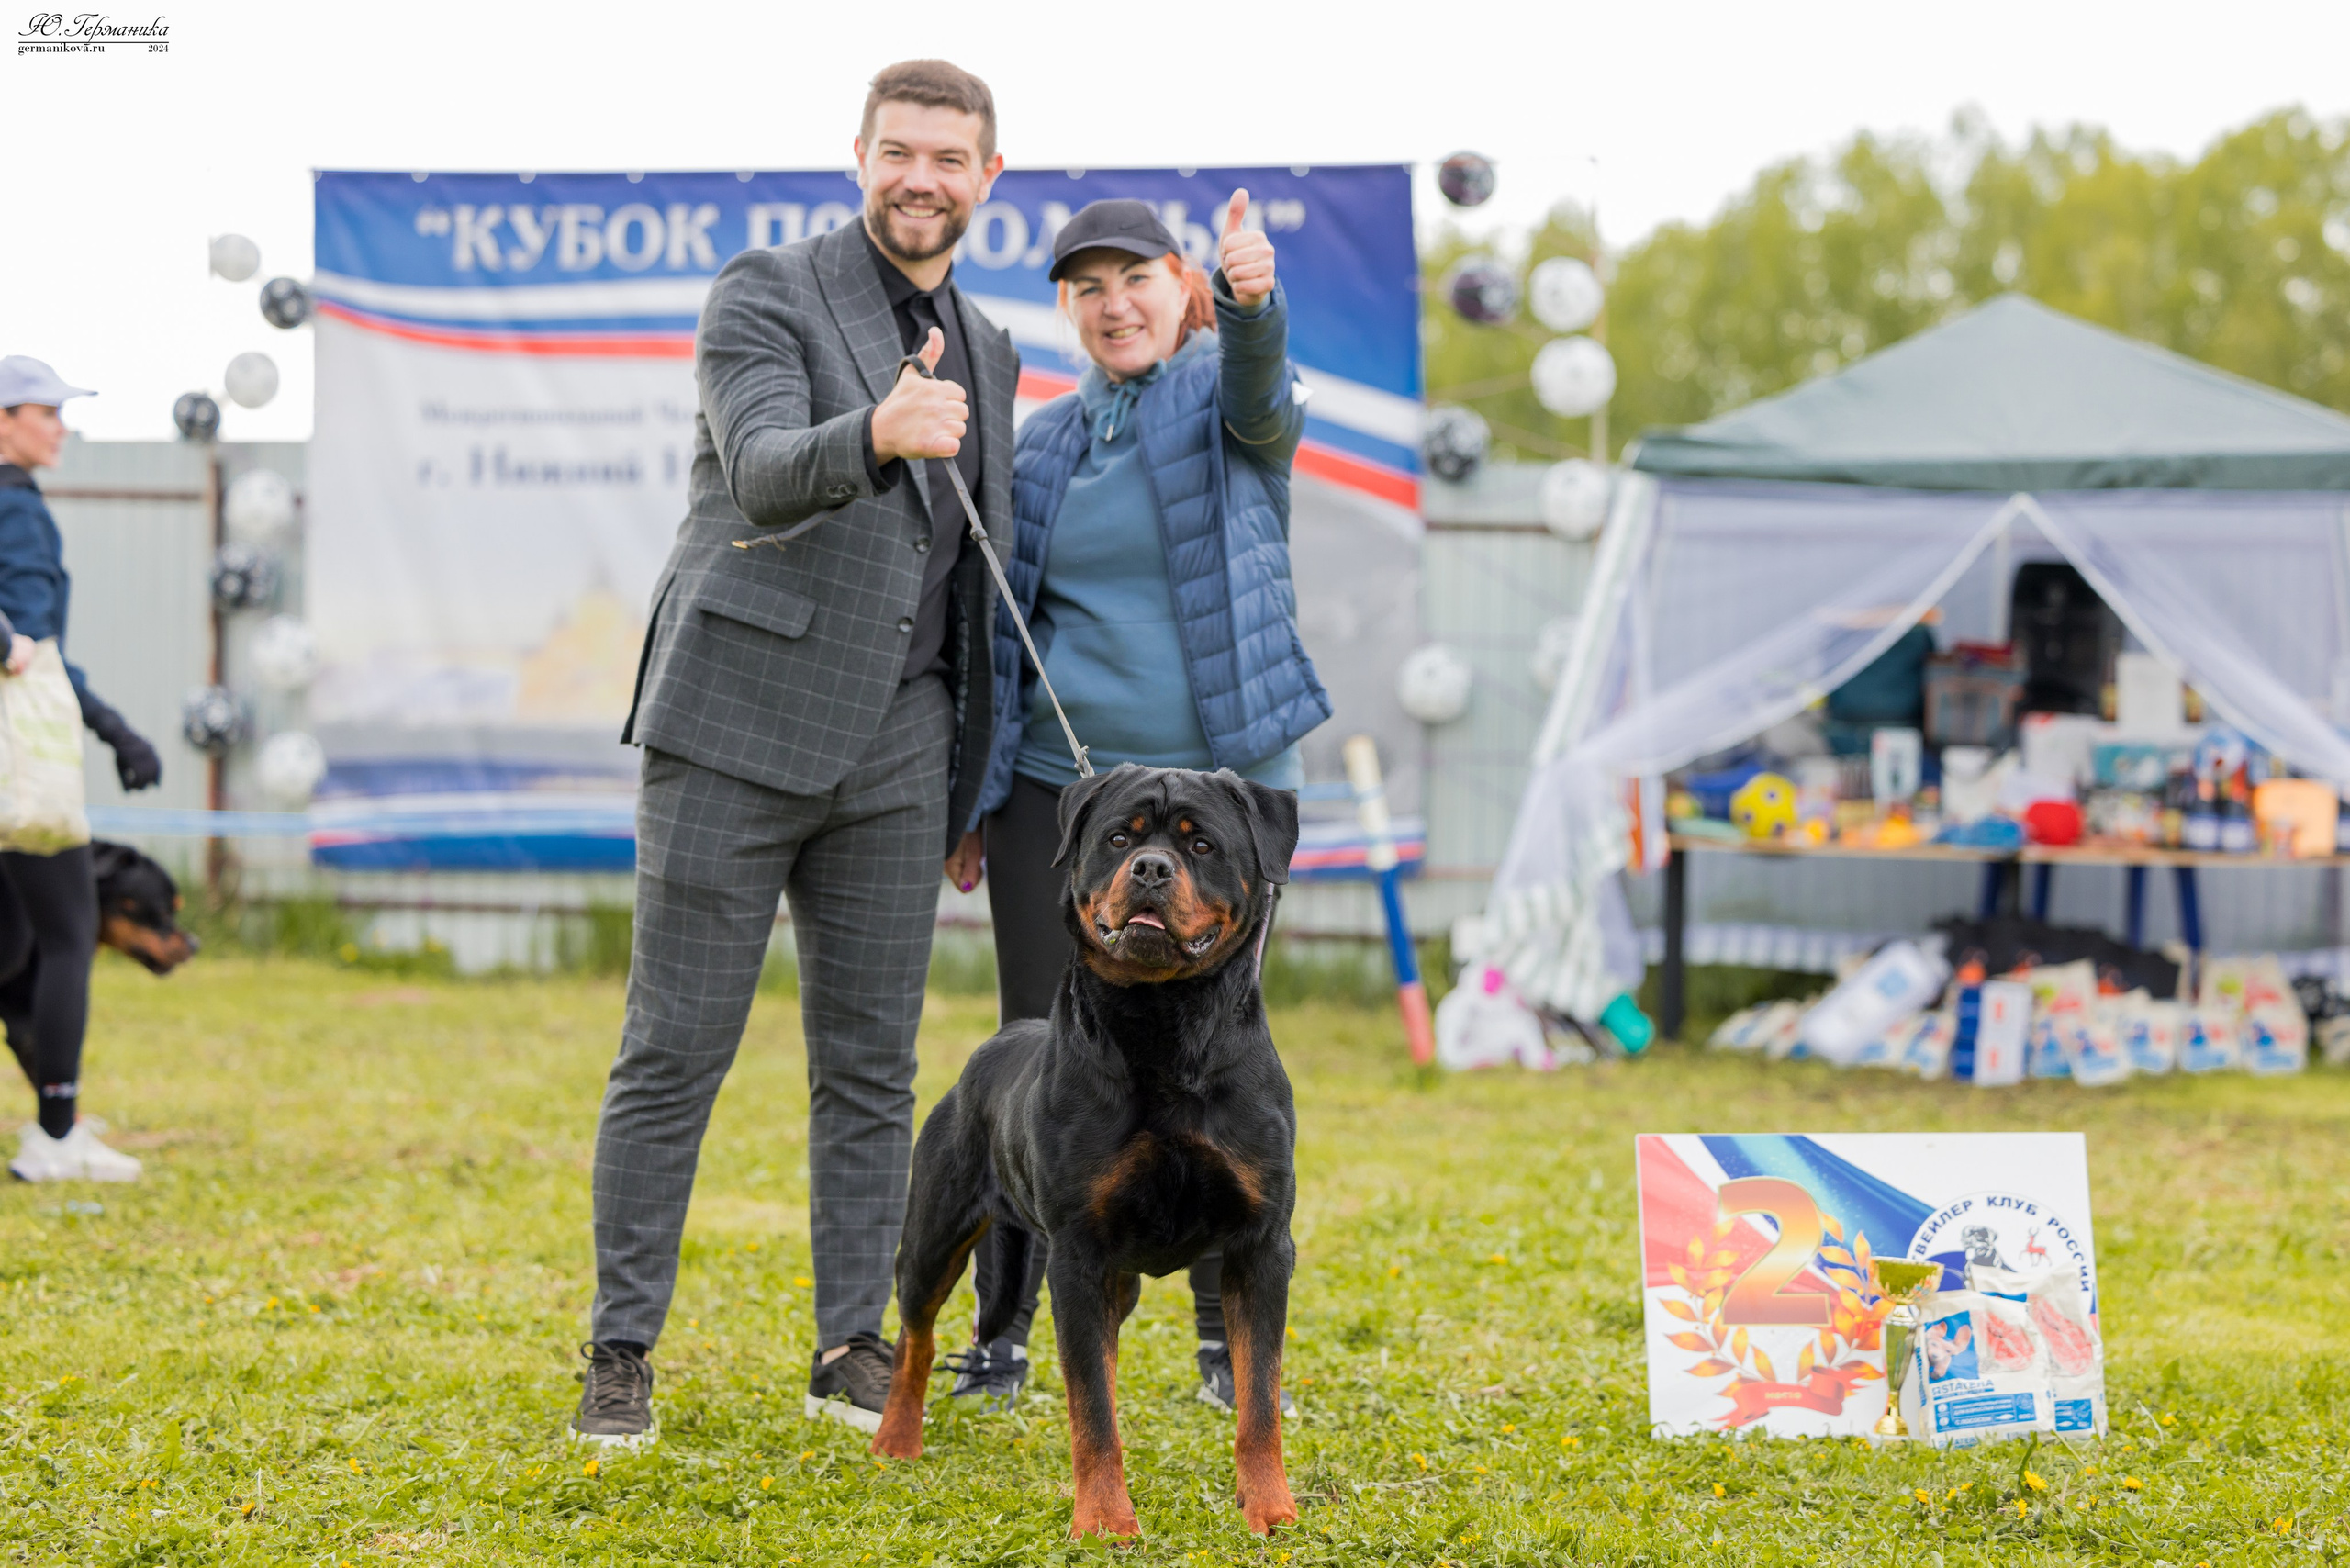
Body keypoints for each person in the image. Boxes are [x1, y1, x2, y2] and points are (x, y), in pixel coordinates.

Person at [573, 60, 1018, 1448]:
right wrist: (877, 431)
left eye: (949, 159)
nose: (921, 179)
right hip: (735, 727)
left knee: (873, 1068)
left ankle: (849, 1344)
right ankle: (621, 1353)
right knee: (674, 1051)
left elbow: (965, 582)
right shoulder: (765, 291)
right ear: (860, 155)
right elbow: (761, 466)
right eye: (899, 152)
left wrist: (964, 782)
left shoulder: (993, 346)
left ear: (986, 179)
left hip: (898, 751)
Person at [942, 196, 1328, 1415]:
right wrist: (982, 788)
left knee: (1226, 1066)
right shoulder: (1047, 443)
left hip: (1221, 800)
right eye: (1087, 287)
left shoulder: (1223, 394)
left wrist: (1256, 305)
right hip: (1066, 804)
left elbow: (1266, 399)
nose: (1113, 304)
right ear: (1069, 310)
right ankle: (1000, 1336)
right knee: (1030, 1059)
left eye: (1136, 279)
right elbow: (1011, 627)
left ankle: (1226, 1340)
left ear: (1181, 287)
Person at [0, 355, 165, 1183]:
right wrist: (117, 730)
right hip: (19, 760)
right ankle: (57, 1139)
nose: (59, 426)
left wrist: (114, 728)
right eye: (44, 411)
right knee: (68, 936)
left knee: (6, 950)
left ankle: (56, 1124)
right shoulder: (18, 509)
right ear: (3, 422)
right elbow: (37, 659)